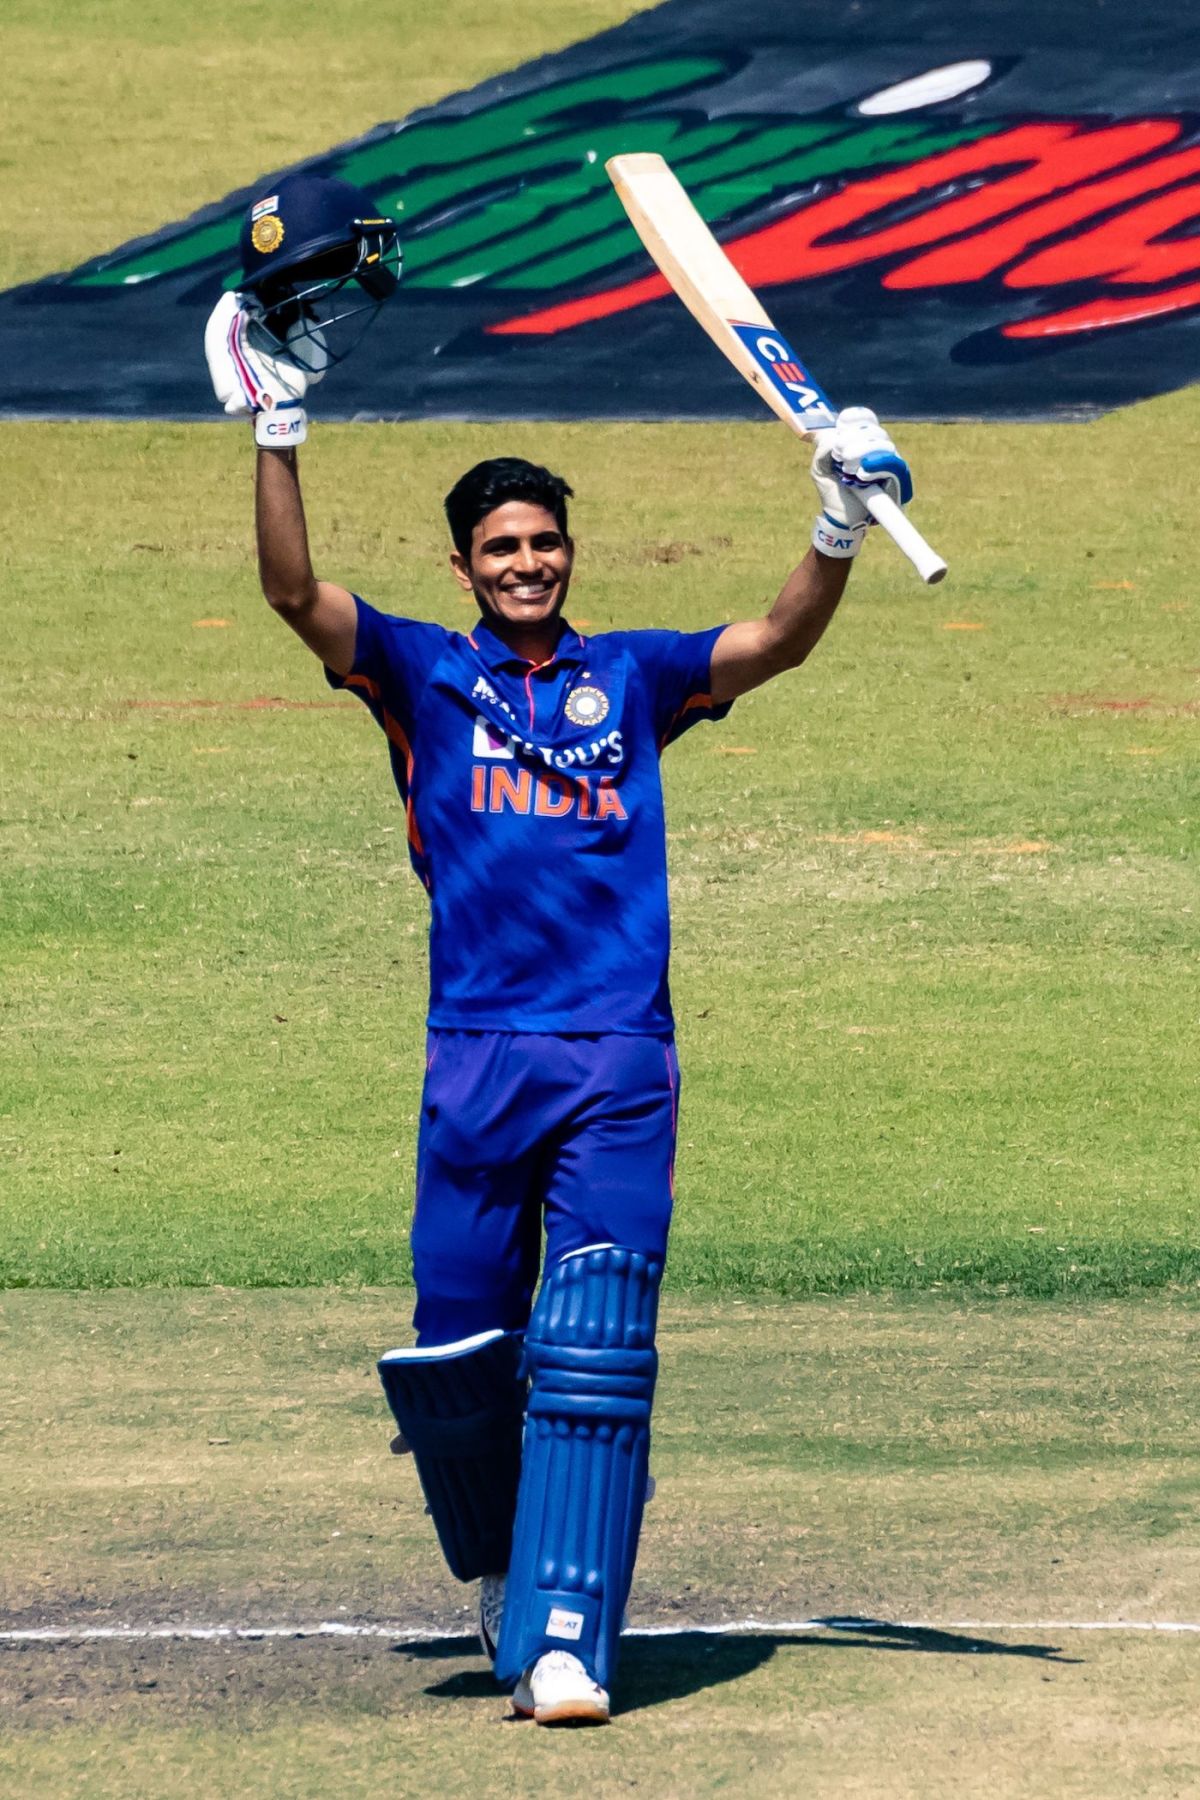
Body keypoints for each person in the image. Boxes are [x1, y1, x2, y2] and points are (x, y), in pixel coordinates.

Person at [206, 263, 914, 1727]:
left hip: (615, 1062)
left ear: (568, 553)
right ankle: (497, 1570)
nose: (529, 563)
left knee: (594, 1345)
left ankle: (571, 1637)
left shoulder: (634, 678)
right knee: (460, 1350)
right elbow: (291, 592)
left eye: (545, 542)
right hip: (474, 1059)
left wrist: (837, 521)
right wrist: (278, 429)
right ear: (464, 567)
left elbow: (771, 642)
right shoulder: (419, 671)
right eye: (502, 547)